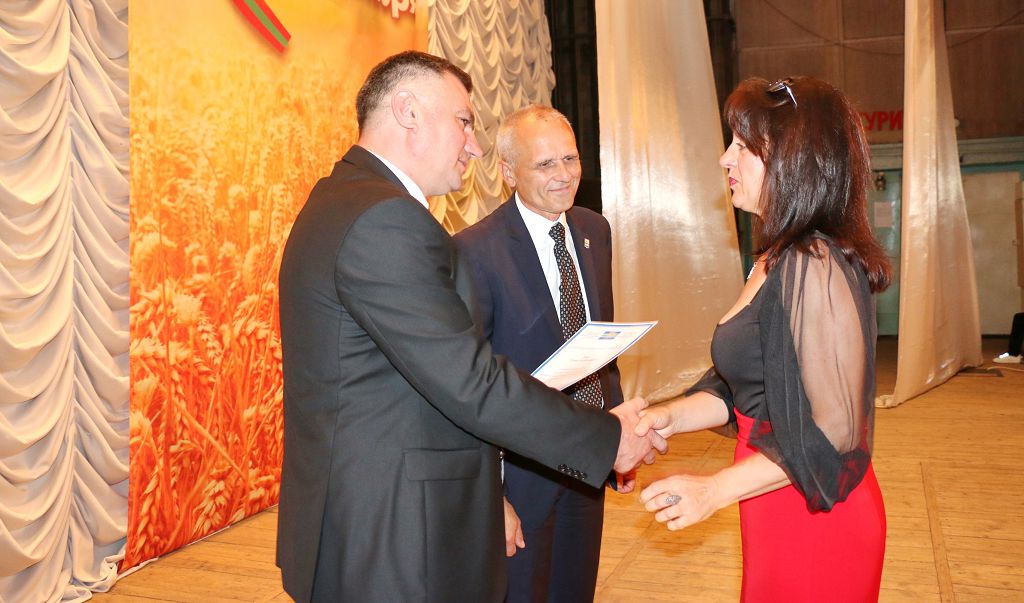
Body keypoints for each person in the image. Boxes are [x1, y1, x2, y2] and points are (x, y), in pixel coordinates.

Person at [276, 51, 663, 603]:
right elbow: (470, 380)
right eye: (463, 121)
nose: (474, 146)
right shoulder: (385, 220)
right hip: (390, 534)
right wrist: (607, 439)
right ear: (408, 111)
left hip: (367, 521)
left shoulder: (343, 200)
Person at [636, 77, 891, 602]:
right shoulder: (774, 257)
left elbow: (837, 433)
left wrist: (713, 490)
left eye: (742, 145)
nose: (725, 159)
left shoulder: (814, 263)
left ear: (792, 160)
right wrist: (668, 418)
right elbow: (749, 392)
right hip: (774, 493)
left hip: (816, 515)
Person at [454, 105, 624, 603]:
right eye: (545, 164)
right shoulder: (473, 252)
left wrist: (614, 440)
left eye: (570, 159)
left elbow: (600, 348)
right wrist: (492, 498)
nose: (564, 175)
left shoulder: (595, 230)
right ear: (509, 172)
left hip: (586, 464)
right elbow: (466, 386)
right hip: (521, 477)